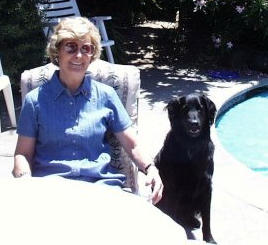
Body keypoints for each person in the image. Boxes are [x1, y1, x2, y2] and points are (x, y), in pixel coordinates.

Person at [12, 16, 163, 203]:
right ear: (57, 51)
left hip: (100, 187)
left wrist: (151, 169)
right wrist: (25, 182)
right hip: (51, 189)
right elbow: (23, 154)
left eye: (86, 48)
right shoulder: (35, 101)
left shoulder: (106, 95)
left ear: (92, 54)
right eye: (70, 47)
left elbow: (133, 145)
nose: (78, 55)